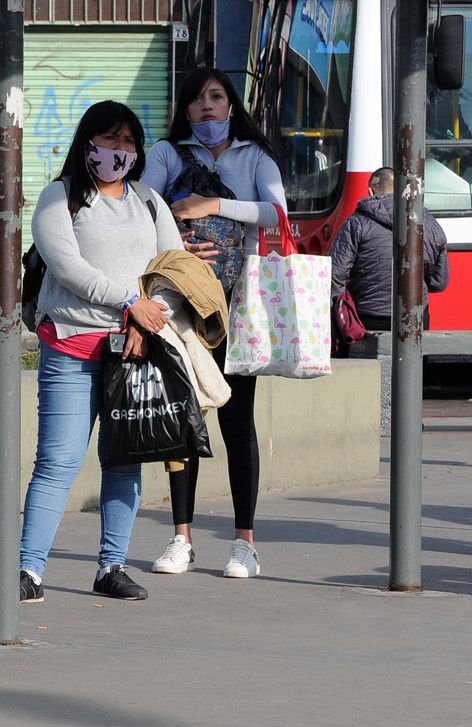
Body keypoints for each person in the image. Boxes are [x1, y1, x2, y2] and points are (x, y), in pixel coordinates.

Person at [16, 100, 183, 605]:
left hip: (134, 350)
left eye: (129, 141)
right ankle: (27, 571)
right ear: (88, 142)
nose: (119, 150)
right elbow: (65, 265)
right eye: (109, 139)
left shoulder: (152, 202)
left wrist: (149, 318)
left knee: (123, 460)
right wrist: (130, 302)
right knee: (58, 460)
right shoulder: (59, 197)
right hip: (71, 345)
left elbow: (174, 270)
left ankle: (112, 566)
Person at [140, 67, 287, 579]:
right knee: (185, 415)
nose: (207, 107)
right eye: (198, 99)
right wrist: (176, 241)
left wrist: (215, 204)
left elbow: (276, 214)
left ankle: (244, 542)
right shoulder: (165, 152)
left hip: (239, 303)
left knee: (237, 420)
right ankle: (181, 537)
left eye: (216, 97)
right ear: (185, 108)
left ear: (231, 106)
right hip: (184, 303)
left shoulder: (255, 155)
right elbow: (142, 205)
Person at [330, 166, 450, 332]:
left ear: (370, 191)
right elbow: (439, 282)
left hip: (366, 317)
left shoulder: (355, 223)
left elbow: (335, 274)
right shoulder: (429, 223)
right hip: (415, 318)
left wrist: (339, 308)